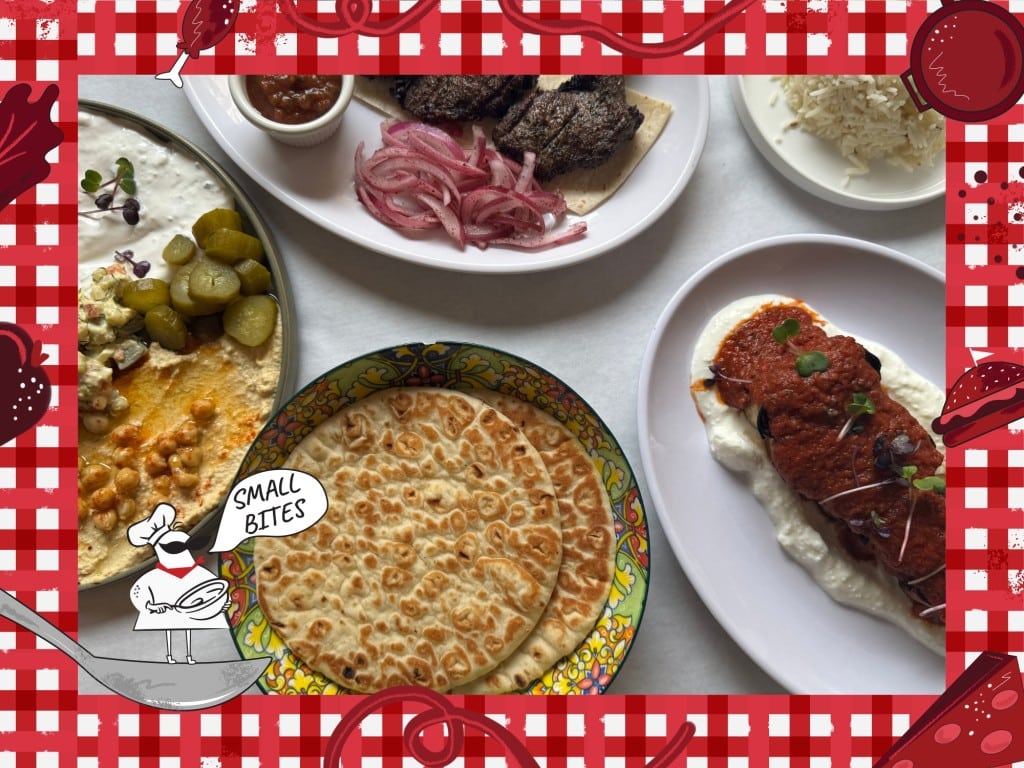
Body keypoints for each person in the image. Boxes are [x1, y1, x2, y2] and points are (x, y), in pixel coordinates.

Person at [127, 503, 229, 663]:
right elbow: (138, 592)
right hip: (163, 615)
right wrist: (150, 606)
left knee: (190, 631)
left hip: (202, 620)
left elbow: (214, 587)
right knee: (168, 631)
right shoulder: (156, 577)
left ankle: (189, 656)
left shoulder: (195, 571)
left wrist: (224, 601)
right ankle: (169, 657)